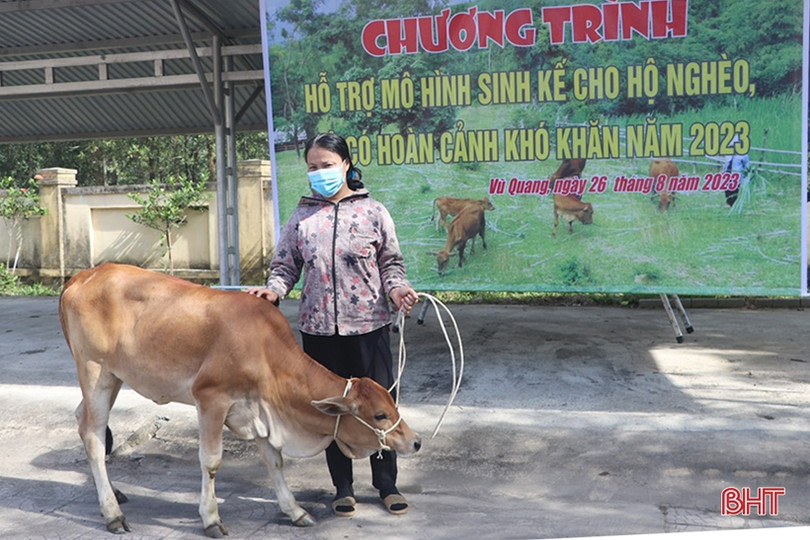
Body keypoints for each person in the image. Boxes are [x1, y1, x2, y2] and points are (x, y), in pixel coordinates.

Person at [247, 132, 419, 518]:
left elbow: (391, 264)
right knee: (332, 411)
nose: (319, 172)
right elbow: (285, 266)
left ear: (345, 165)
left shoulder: (373, 212)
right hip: (319, 331)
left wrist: (398, 291)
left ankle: (386, 483)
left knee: (380, 407)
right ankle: (342, 487)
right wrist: (273, 292)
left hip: (369, 327)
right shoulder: (302, 218)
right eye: (312, 167)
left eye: (326, 165)